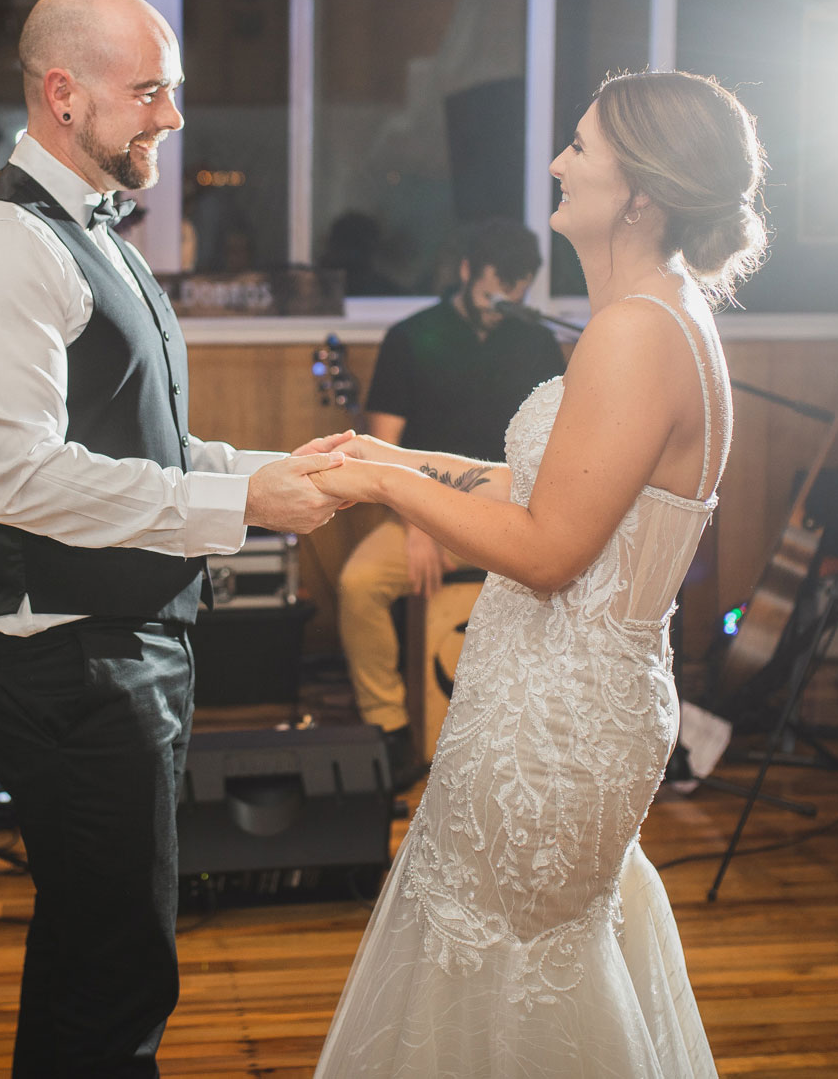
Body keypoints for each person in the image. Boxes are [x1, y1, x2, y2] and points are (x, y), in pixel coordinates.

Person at [0, 0, 353, 1078]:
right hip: (63, 656)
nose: (171, 118)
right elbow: (20, 480)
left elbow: (146, 450)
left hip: (118, 643)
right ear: (62, 96)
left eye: (173, 90)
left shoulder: (90, 233)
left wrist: (275, 468)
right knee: (114, 971)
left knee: (95, 955)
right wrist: (242, 507)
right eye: (148, 91)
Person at [308, 70, 769, 1077]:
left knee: (508, 968)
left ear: (639, 192)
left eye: (580, 148)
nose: (557, 163)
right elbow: (555, 486)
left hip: (553, 714)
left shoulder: (634, 330)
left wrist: (378, 487)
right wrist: (388, 461)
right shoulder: (659, 312)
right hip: (568, 696)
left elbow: (547, 551)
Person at [336, 220, 566, 791]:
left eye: (519, 289)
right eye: (495, 286)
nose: (506, 301)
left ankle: (536, 736)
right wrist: (415, 523)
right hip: (426, 515)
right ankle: (389, 729)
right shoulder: (412, 337)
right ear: (466, 271)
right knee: (359, 583)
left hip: (514, 517)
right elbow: (385, 451)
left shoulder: (537, 342)